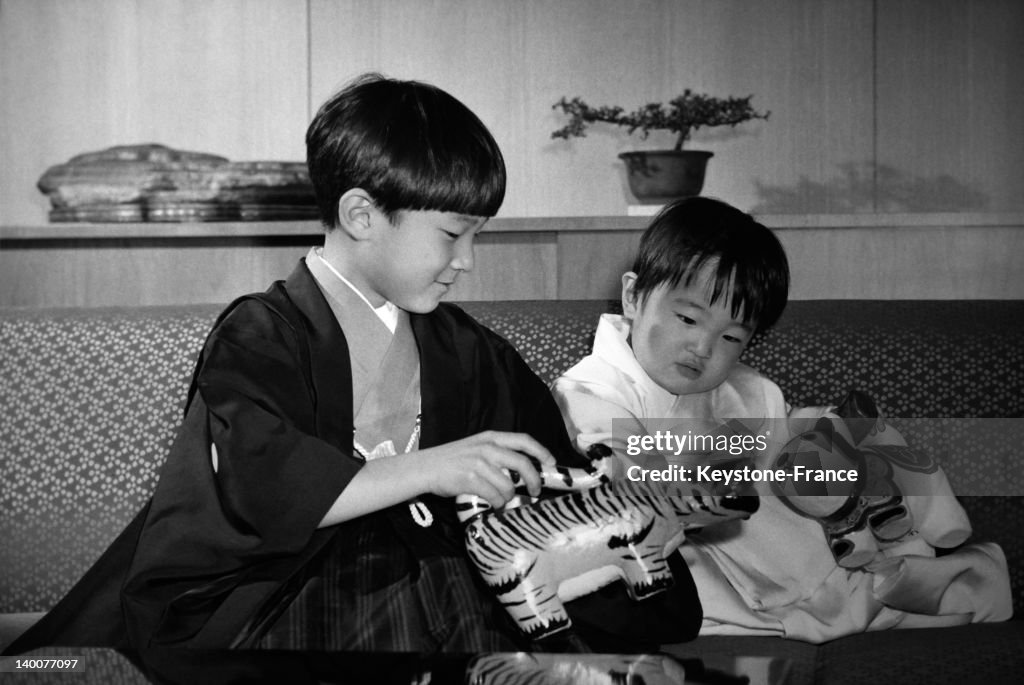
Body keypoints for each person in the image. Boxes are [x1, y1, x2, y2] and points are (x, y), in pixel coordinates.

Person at [6, 74, 701, 655]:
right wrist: (434, 466)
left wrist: (620, 505)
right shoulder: (261, 334)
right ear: (363, 214)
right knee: (442, 598)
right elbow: (265, 482)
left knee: (487, 596)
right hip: (281, 593)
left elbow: (548, 484)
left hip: (436, 592)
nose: (466, 261)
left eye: (476, 236)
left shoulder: (469, 351)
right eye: (454, 234)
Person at [552, 197, 1011, 642]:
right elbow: (634, 484)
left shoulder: (741, 388)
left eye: (731, 336)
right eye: (688, 319)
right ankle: (883, 585)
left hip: (806, 546)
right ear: (633, 297)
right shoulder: (593, 392)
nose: (704, 348)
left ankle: (903, 548)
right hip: (691, 559)